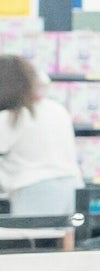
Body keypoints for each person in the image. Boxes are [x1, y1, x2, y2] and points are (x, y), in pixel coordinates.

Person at [0, 53, 84, 230]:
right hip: (72, 186)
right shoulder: (56, 108)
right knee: (62, 240)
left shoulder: (11, 118)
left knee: (32, 242)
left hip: (35, 190)